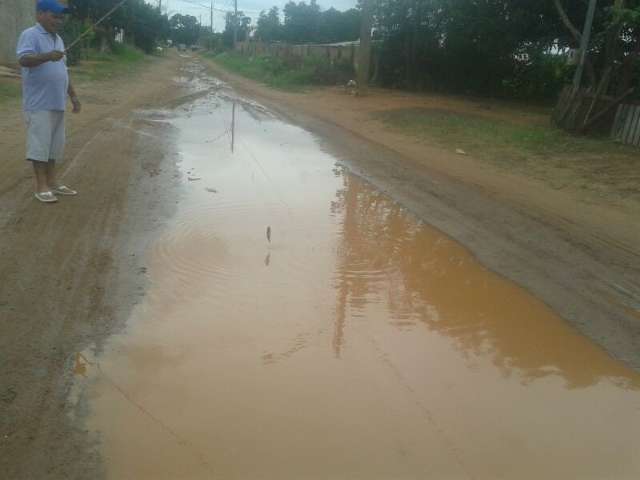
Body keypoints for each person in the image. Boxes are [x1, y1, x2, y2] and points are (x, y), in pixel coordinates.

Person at [17, 0, 82, 203]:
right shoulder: (30, 34)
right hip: (39, 103)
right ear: (40, 14)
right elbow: (24, 60)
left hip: (57, 102)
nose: (59, 20)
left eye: (61, 17)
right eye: (55, 16)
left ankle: (53, 182)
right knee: (40, 146)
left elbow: (63, 71)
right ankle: (41, 186)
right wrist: (47, 56)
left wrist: (73, 95)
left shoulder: (59, 39)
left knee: (54, 146)